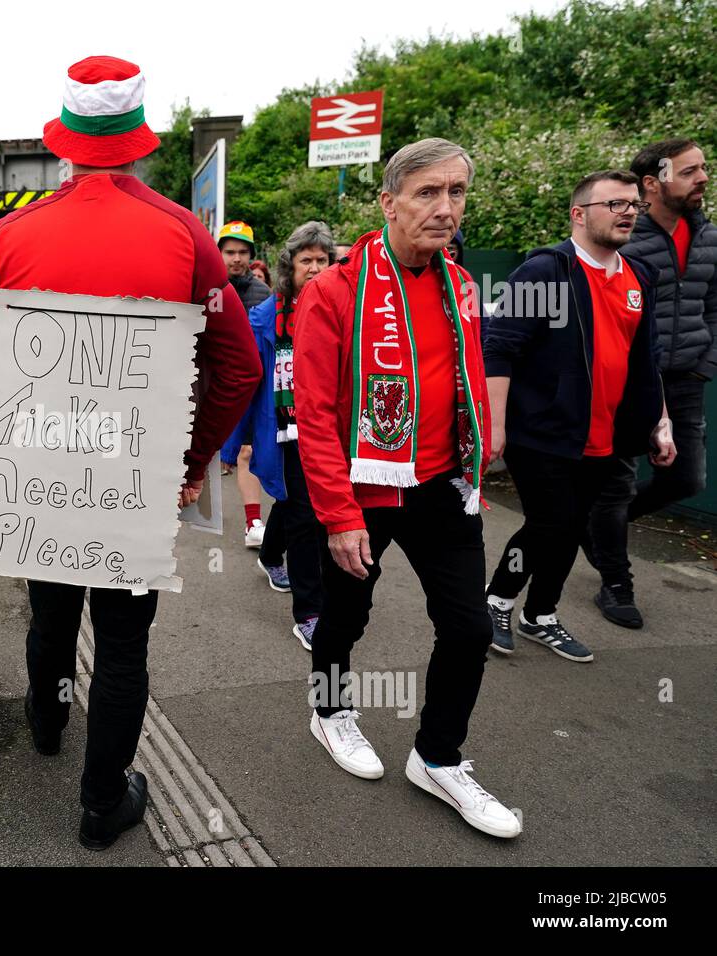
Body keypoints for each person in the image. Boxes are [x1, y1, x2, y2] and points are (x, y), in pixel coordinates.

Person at [0, 55, 258, 851]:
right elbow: (237, 364)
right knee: (124, 638)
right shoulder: (184, 234)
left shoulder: (11, 232)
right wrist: (191, 455)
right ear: (139, 143)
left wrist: (16, 398)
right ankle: (103, 802)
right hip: (135, 468)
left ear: (66, 142)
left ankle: (44, 722)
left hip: (43, 457)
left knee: (52, 607)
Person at [293, 138, 520, 839]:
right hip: (361, 490)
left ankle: (438, 756)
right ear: (388, 202)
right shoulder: (333, 291)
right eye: (428, 193)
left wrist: (480, 443)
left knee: (470, 625)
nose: (445, 207)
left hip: (442, 486)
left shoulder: (460, 286)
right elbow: (317, 413)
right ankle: (330, 712)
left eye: (456, 192)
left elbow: (463, 376)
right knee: (345, 616)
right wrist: (337, 514)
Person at [485, 171, 670, 662]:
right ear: (579, 213)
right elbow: (499, 349)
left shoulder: (638, 277)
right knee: (550, 522)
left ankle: (539, 614)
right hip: (541, 430)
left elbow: (646, 359)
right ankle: (498, 599)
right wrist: (496, 426)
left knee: (572, 525)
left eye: (633, 204)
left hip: (606, 434)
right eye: (614, 203)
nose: (628, 211)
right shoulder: (545, 272)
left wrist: (660, 419)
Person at [584, 139, 714, 627]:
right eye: (690, 171)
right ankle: (616, 584)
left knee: (686, 478)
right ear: (652, 184)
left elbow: (714, 306)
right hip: (628, 382)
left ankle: (595, 527)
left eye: (703, 168)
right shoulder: (622, 238)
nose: (702, 177)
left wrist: (705, 362)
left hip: (685, 377)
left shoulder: (708, 238)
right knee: (615, 484)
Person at [248, 222, 334, 651]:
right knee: (305, 515)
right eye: (307, 261)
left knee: (293, 502)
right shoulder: (266, 318)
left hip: (329, 430)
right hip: (285, 429)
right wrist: (232, 443)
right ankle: (310, 614)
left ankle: (268, 553)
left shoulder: (344, 307)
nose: (315, 268)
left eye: (322, 260)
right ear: (291, 267)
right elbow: (247, 382)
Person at [215, 220, 272, 546]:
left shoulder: (263, 293)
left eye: (242, 252)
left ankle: (253, 523)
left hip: (253, 389)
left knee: (246, 452)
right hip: (214, 387)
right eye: (229, 252)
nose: (235, 258)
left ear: (251, 255)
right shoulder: (208, 290)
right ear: (219, 253)